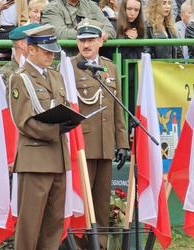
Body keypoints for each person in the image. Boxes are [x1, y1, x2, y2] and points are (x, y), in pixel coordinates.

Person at [9, 24, 77, 250]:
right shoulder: (20, 78)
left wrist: (69, 120)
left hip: (58, 157)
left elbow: (64, 105)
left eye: (52, 51)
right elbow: (24, 121)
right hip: (36, 159)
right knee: (30, 224)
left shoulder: (56, 76)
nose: (51, 54)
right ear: (30, 49)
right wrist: (56, 129)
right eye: (45, 50)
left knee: (53, 224)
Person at [70, 22, 130, 249]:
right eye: (82, 40)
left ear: (100, 41)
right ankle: (78, 245)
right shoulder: (70, 68)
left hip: (106, 144)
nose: (86, 44)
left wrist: (122, 143)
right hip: (82, 145)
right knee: (81, 202)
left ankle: (100, 245)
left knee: (102, 201)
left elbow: (117, 108)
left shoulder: (109, 67)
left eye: (90, 40)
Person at [117, 0, 145, 115]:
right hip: (120, 77)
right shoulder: (114, 25)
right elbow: (111, 53)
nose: (132, 13)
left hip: (136, 77)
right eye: (129, 9)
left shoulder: (141, 29)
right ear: (123, 9)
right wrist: (128, 40)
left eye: (136, 10)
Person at [41, 0, 116, 40]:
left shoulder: (92, 5)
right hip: (65, 58)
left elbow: (110, 30)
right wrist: (92, 34)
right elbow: (59, 33)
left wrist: (102, 34)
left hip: (90, 60)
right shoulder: (52, 8)